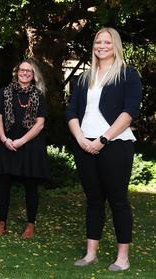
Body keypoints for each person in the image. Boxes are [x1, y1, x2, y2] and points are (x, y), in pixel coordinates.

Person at [66, 27, 142, 272]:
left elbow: (129, 113)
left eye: (107, 42)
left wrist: (103, 140)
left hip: (115, 145)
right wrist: (80, 138)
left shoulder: (128, 74)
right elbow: (72, 112)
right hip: (84, 144)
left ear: (115, 45)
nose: (101, 46)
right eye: (98, 41)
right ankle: (91, 254)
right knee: (94, 201)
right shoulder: (84, 77)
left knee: (118, 201)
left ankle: (123, 258)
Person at [0, 59, 50, 239]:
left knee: (31, 186)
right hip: (6, 143)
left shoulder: (39, 95)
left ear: (33, 75)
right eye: (22, 70)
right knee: (3, 184)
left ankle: (30, 225)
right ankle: (1, 223)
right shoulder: (4, 92)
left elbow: (40, 124)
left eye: (29, 71)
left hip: (30, 145)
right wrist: (4, 138)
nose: (25, 73)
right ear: (17, 72)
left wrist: (21, 141)